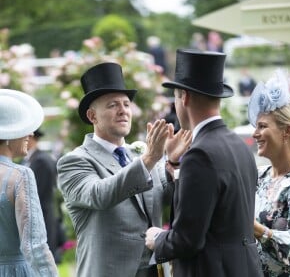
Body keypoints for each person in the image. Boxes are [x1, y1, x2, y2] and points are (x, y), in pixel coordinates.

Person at [56, 62, 191, 277]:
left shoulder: (140, 153)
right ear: (92, 116)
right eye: (112, 105)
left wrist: (173, 164)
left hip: (155, 270)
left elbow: (165, 196)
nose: (123, 111)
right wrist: (149, 159)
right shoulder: (74, 161)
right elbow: (100, 195)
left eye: (126, 104)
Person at [145, 48, 264, 277]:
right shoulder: (239, 146)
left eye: (176, 97)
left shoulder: (199, 154)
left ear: (184, 97)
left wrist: (157, 238)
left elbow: (187, 239)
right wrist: (175, 165)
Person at [0, 89, 58, 276]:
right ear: (7, 136)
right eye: (22, 128)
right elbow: (35, 246)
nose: (30, 134)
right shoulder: (20, 175)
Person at [248, 69, 290, 276]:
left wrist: (255, 229)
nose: (255, 133)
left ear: (286, 131)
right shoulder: (259, 176)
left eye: (262, 126)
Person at [23, 128, 64, 263]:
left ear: (32, 138)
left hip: (43, 217)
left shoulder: (41, 160)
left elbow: (40, 194)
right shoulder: (34, 159)